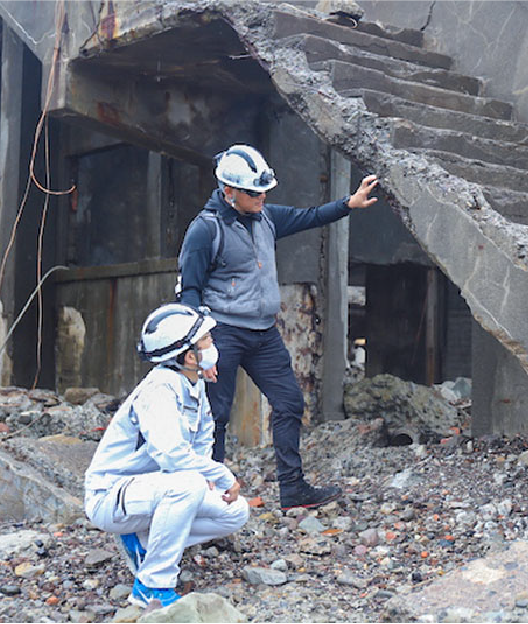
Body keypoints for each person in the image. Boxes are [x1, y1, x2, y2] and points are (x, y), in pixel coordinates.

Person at [178, 144, 378, 510]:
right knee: (215, 414)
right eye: (254, 192)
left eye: (264, 190)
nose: (262, 197)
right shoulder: (204, 231)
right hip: (222, 331)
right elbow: (189, 291)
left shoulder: (265, 217)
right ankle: (207, 497)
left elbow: (309, 217)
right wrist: (199, 346)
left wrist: (349, 203)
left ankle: (293, 489)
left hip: (263, 333)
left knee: (288, 402)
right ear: (228, 192)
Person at [84, 303, 249, 608]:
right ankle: (152, 585)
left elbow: (202, 441)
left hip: (152, 490)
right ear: (189, 356)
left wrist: (212, 481)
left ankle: (143, 542)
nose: (214, 346)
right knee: (189, 485)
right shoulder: (159, 390)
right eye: (207, 342)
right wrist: (222, 476)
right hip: (112, 496)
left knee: (235, 510)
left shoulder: (193, 385)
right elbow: (173, 457)